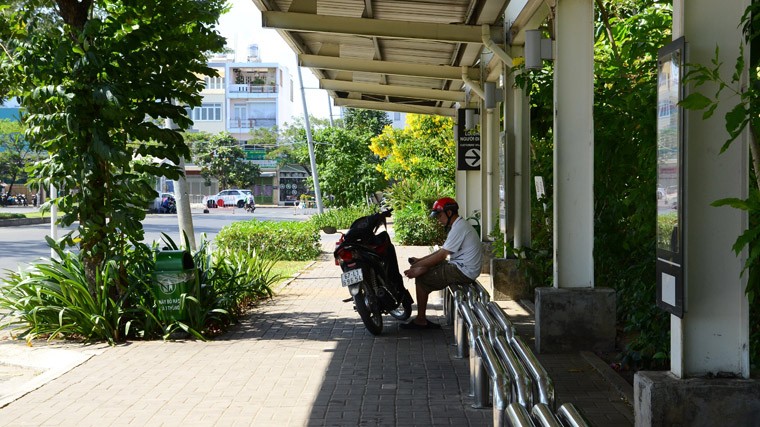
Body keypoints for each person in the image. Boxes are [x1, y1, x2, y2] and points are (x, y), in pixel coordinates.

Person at [401, 197, 483, 330]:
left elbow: (441, 255)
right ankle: (423, 269)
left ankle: (421, 320)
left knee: (422, 279)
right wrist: (420, 261)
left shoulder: (459, 228)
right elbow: (442, 251)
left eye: (439, 215)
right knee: (426, 268)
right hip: (460, 267)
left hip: (463, 271)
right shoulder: (458, 225)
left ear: (449, 213)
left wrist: (418, 267)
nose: (438, 220)